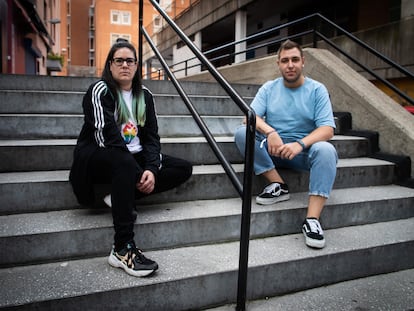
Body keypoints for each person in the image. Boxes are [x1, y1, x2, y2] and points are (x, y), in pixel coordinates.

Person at [69, 39, 192, 277]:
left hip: (131, 160)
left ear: (136, 66)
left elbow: (152, 138)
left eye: (130, 61)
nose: (125, 65)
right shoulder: (100, 90)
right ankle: (122, 248)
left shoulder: (144, 96)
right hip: (98, 157)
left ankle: (120, 195)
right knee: (124, 161)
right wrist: (138, 173)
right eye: (119, 60)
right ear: (110, 64)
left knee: (182, 168)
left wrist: (151, 170)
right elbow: (108, 138)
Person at [234, 39, 338, 249]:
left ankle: (312, 220)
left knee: (326, 149)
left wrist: (299, 144)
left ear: (303, 62)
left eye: (294, 60)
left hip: (302, 154)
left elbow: (327, 129)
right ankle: (278, 185)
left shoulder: (317, 90)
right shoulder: (269, 88)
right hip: (273, 150)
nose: (290, 65)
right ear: (278, 64)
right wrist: (271, 132)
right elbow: (249, 117)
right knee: (242, 133)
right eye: (285, 60)